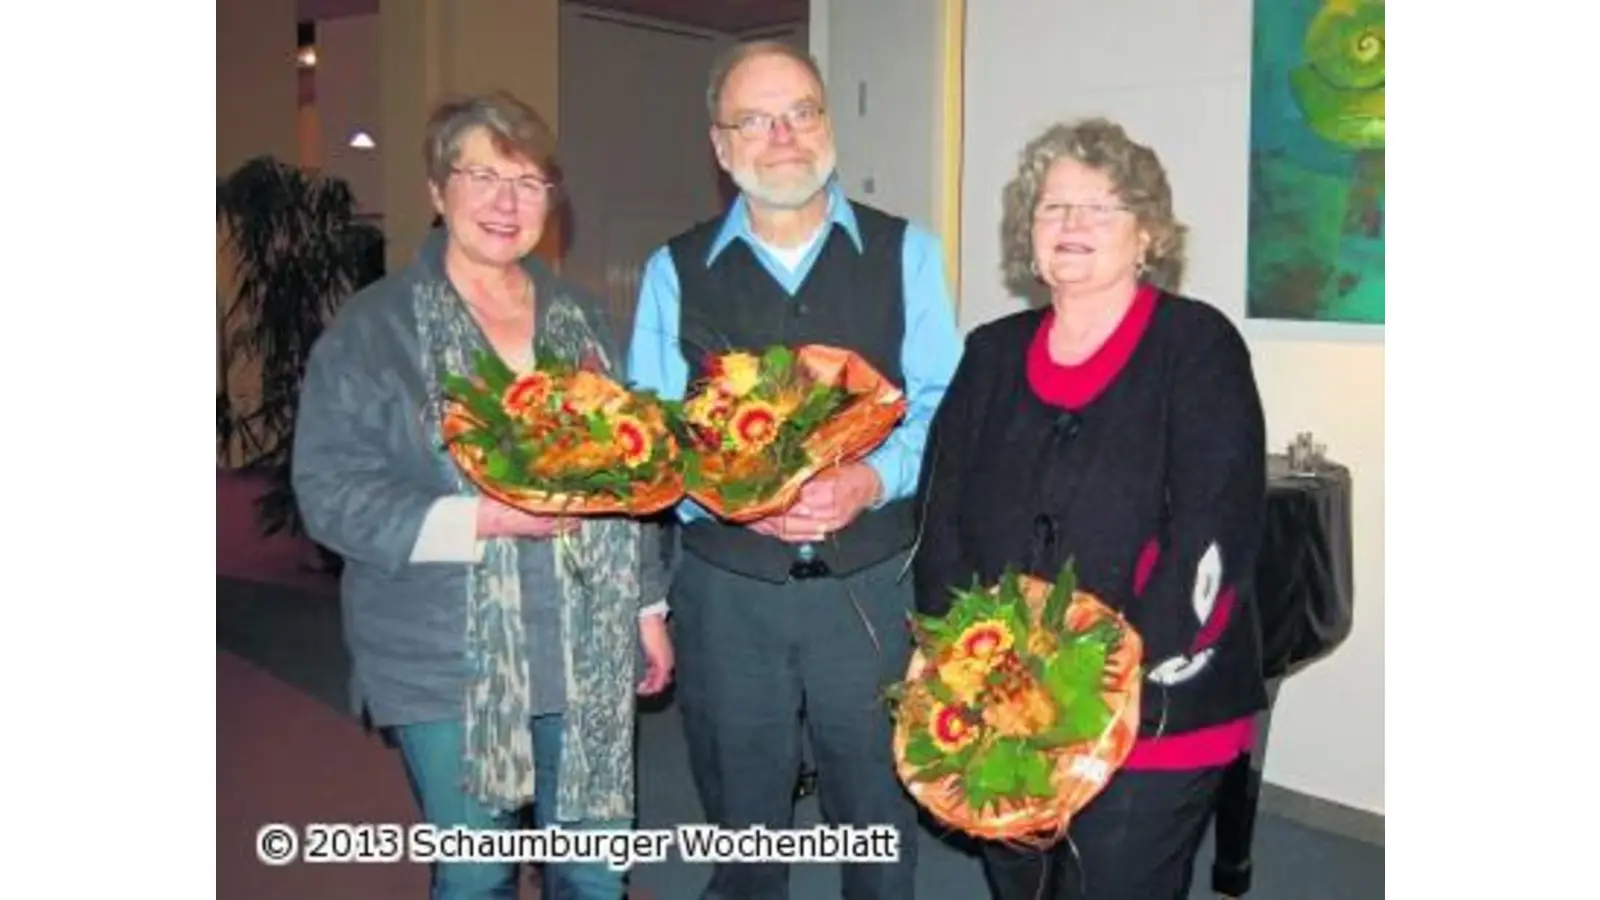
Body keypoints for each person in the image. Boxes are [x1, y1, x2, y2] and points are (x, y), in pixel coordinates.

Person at [291, 90, 674, 900]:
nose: (507, 203)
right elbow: (329, 494)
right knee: (475, 875)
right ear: (438, 190)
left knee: (596, 874)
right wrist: (482, 517)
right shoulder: (374, 330)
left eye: (530, 182)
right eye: (483, 176)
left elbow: (627, 470)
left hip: (588, 647)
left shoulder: (582, 319)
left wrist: (645, 609)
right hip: (444, 656)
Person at [626, 40, 963, 900]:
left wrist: (870, 479)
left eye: (802, 112)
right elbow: (654, 440)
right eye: (756, 119)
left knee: (879, 816)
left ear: (828, 125)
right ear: (721, 145)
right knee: (742, 821)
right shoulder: (675, 271)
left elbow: (942, 408)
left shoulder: (907, 253)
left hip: (874, 591)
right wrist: (730, 501)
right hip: (729, 596)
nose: (783, 136)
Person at [911, 118, 1269, 900]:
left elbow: (1213, 528)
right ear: (1028, 235)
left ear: (1146, 234)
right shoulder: (990, 352)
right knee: (1019, 882)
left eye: (1101, 207)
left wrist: (1094, 688)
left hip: (1154, 707)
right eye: (1052, 207)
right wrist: (961, 663)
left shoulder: (1197, 346)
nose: (1072, 224)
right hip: (998, 699)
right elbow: (939, 519)